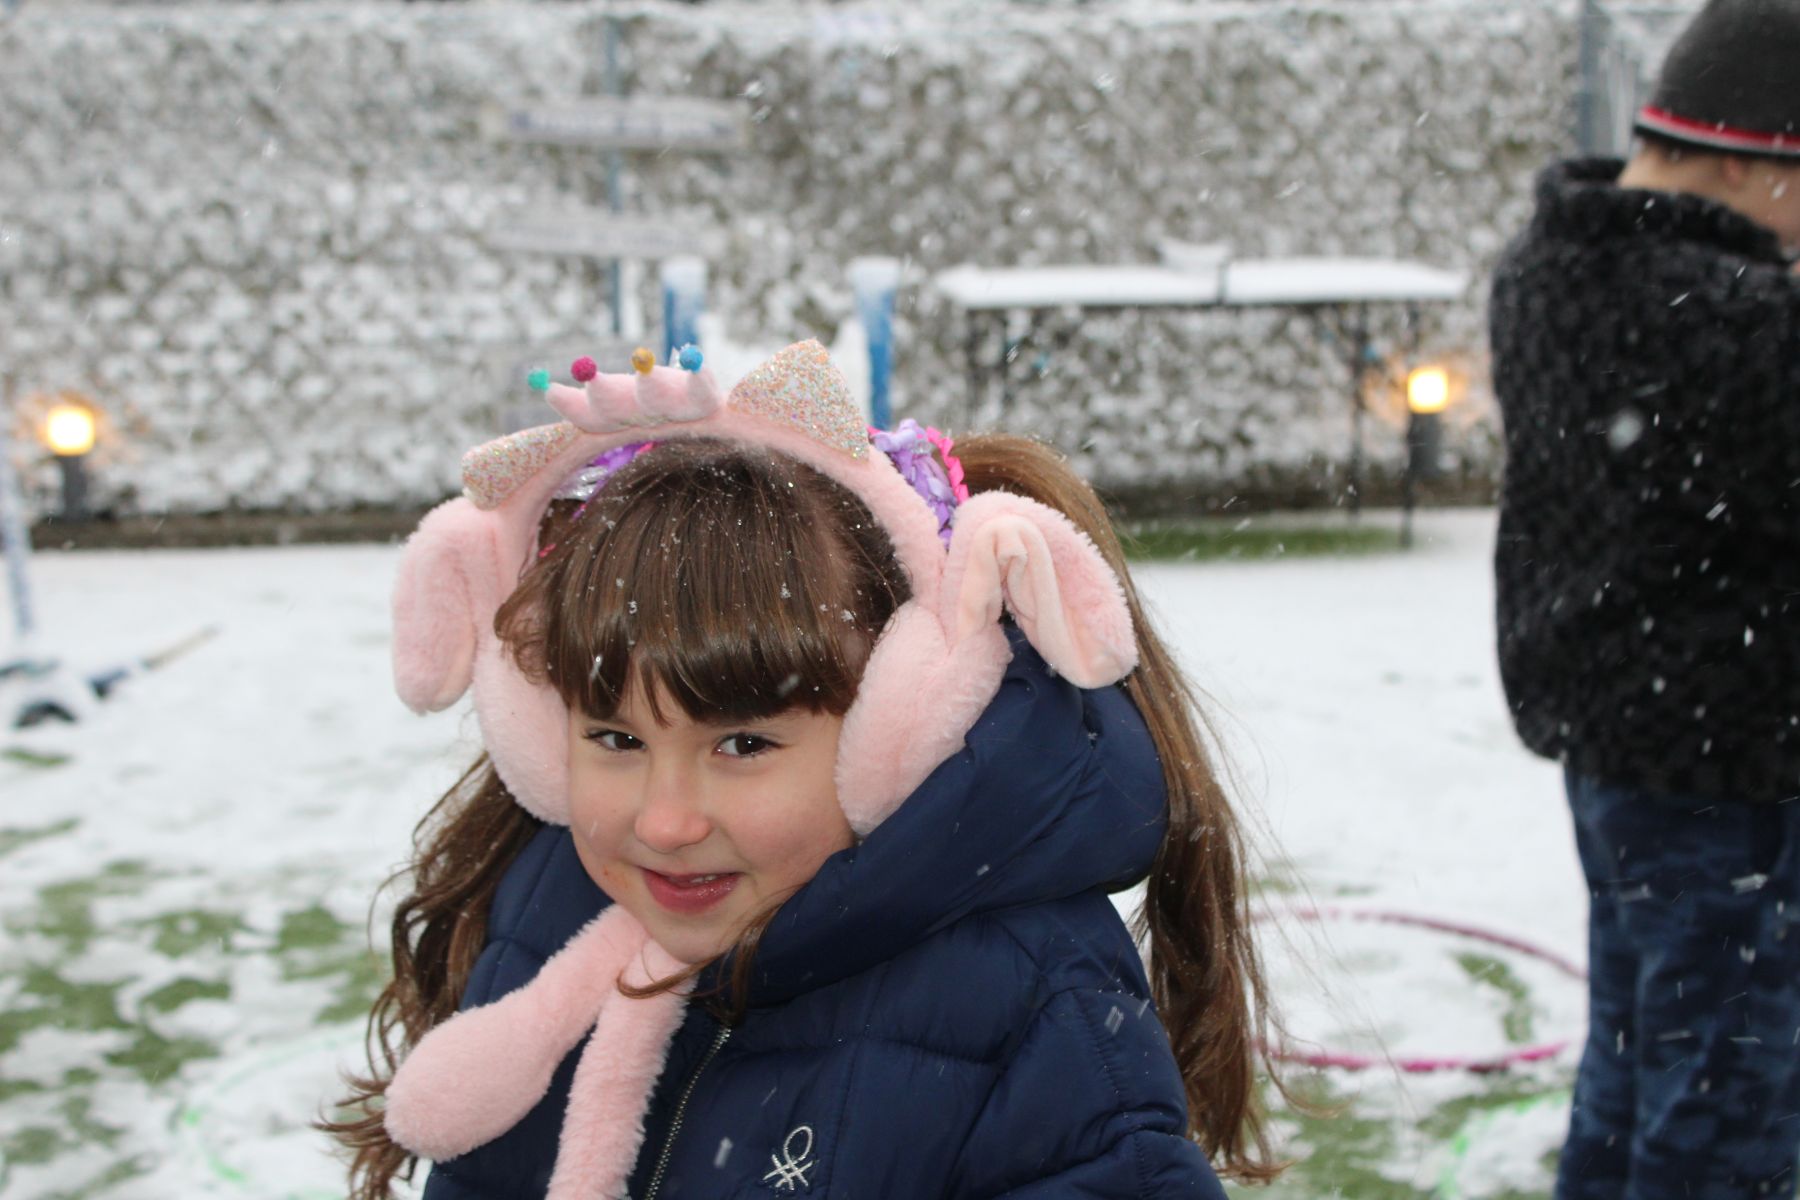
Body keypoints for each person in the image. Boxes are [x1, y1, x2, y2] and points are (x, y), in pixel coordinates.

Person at [324, 339, 1290, 1198]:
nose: (664, 822)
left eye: (742, 744)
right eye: (616, 740)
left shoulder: (1032, 1000)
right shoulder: (545, 902)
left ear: (903, 728)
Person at [1489, 1, 1800, 1195]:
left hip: (1621, 741)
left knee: (1635, 1058)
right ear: (1744, 159)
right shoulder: (1730, 317)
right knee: (1728, 1100)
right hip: (1732, 762)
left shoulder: (1552, 265)